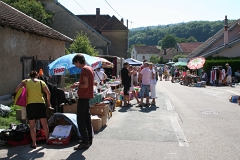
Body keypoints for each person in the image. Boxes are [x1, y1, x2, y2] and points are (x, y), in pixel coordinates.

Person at [14, 70, 51, 149]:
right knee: (44, 124)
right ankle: (47, 140)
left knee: (32, 126)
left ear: (29, 76)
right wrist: (48, 102)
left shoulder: (26, 81)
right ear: (37, 75)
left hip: (30, 105)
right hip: (41, 104)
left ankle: (34, 143)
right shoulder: (41, 82)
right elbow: (48, 93)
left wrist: (23, 89)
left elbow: (16, 89)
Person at [71, 54, 94, 150]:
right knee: (86, 119)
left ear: (78, 61)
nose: (75, 65)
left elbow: (85, 85)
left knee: (80, 119)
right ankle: (88, 139)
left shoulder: (84, 70)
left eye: (75, 63)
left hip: (84, 96)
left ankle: (85, 142)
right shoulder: (90, 68)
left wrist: (76, 85)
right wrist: (79, 84)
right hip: (87, 96)